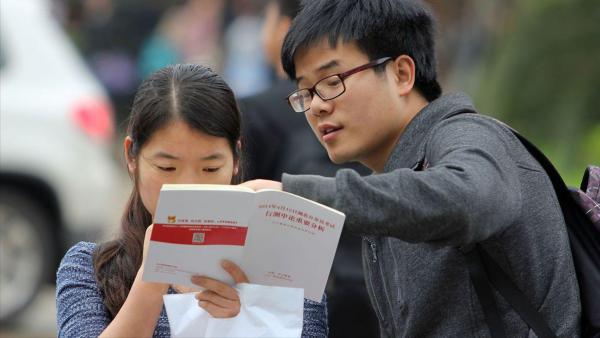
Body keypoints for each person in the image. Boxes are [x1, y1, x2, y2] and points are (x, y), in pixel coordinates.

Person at [240, 0, 581, 337]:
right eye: (305, 92)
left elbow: (471, 200)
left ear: (401, 74)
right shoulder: (391, 181)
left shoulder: (467, 136)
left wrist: (297, 197)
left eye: (331, 81)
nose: (316, 106)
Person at [56, 63, 328, 338]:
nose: (189, 188)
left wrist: (254, 317)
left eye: (210, 169)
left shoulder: (285, 271)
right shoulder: (90, 269)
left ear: (235, 159)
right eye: (167, 168)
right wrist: (152, 279)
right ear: (131, 157)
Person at [241, 1, 377, 336]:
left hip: (297, 298)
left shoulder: (254, 113)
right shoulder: (363, 108)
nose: (317, 108)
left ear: (285, 31)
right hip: (375, 292)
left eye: (266, 22)